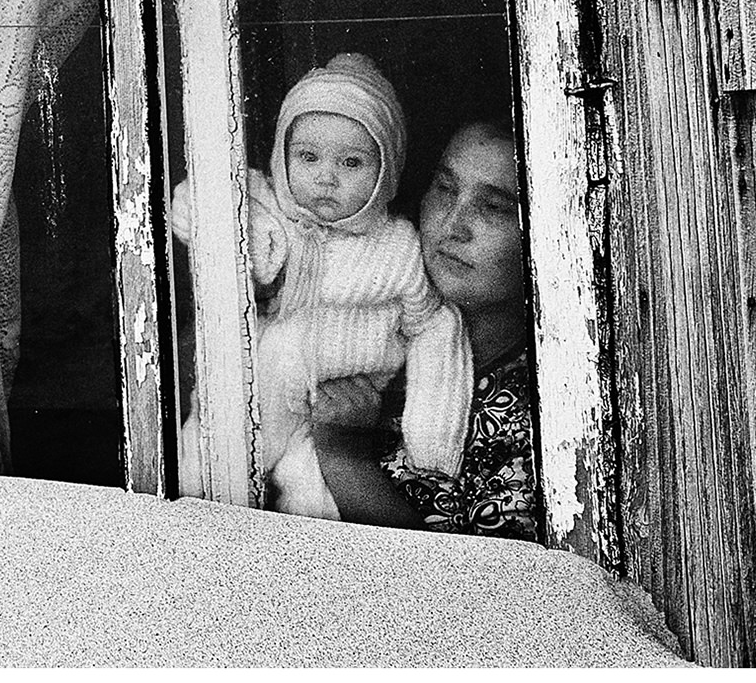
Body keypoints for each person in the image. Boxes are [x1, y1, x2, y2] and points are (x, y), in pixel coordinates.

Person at [169, 53, 471, 517]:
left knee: (319, 508)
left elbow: (432, 328)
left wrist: (431, 446)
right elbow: (204, 196)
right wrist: (216, 220)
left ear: (386, 170)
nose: (326, 177)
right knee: (208, 471)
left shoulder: (398, 246)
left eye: (352, 162)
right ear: (281, 155)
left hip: (339, 406)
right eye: (308, 157)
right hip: (258, 388)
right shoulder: (268, 206)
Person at [307, 120, 543, 541]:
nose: (454, 224)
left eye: (494, 207)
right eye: (446, 189)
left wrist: (344, 455)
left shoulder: (542, 411)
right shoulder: (372, 327)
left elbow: (462, 591)